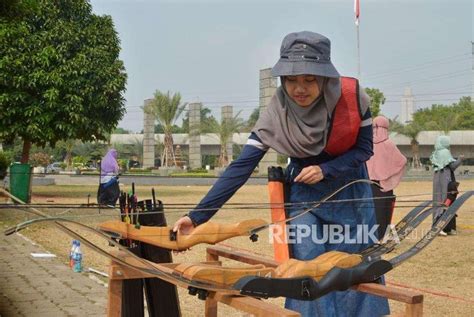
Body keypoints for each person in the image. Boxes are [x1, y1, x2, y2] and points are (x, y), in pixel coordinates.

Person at [173, 31, 389, 316]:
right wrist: (197, 216)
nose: (299, 88)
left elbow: (364, 149)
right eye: (291, 79)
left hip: (349, 195)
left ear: (324, 77)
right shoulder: (276, 113)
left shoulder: (351, 98)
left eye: (309, 79)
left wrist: (326, 169)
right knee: (304, 268)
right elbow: (241, 168)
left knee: (349, 268)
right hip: (304, 198)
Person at [366, 116, 407, 239]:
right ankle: (382, 237)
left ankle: (368, 237)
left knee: (368, 210)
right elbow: (402, 161)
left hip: (366, 184)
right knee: (383, 211)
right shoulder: (389, 144)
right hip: (383, 186)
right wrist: (387, 173)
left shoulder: (366, 144)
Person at [430, 135, 463, 236]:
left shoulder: (436, 152)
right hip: (445, 179)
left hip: (438, 178)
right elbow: (452, 166)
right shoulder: (445, 152)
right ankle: (443, 227)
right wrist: (460, 159)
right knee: (446, 201)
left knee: (438, 201)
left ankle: (440, 226)